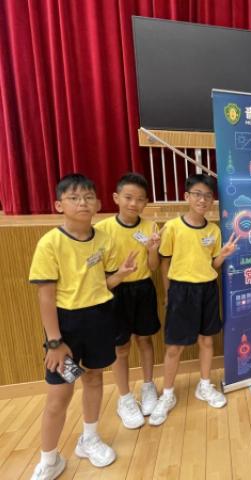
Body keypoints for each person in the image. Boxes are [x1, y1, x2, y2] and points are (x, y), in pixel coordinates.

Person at [29, 174, 137, 480]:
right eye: (74, 198)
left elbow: (104, 283)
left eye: (89, 197)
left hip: (99, 317)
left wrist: (122, 274)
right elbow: (46, 296)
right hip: (65, 326)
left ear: (99, 204)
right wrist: (54, 342)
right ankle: (49, 459)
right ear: (58, 205)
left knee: (93, 378)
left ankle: (89, 439)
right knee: (59, 397)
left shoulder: (104, 239)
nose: (82, 203)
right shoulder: (50, 243)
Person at [149, 174, 238, 426]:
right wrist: (169, 292)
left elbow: (214, 264)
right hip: (180, 291)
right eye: (197, 194)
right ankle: (167, 394)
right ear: (187, 196)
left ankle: (204, 385)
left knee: (206, 341)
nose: (203, 200)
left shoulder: (214, 230)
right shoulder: (172, 227)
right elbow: (164, 263)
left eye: (208, 196)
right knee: (174, 346)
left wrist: (223, 254)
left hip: (208, 289)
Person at [95, 173, 161, 429]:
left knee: (145, 340)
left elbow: (153, 267)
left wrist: (152, 250)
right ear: (116, 198)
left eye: (140, 199)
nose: (134, 203)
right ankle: (124, 398)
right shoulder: (102, 229)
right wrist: (118, 275)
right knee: (120, 347)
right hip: (116, 290)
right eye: (128, 197)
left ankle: (148, 386)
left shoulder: (150, 227)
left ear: (146, 203)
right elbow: (98, 273)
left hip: (143, 288)